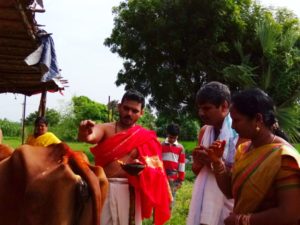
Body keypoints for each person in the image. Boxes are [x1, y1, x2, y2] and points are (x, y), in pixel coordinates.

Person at [206, 88, 300, 225]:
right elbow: (230, 192)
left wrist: (241, 220)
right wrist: (217, 162)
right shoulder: (244, 149)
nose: (232, 126)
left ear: (258, 119)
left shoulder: (284, 157)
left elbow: (290, 214)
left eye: (237, 120)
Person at [77, 90, 171, 225]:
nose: (129, 114)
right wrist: (84, 132)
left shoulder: (145, 137)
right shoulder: (105, 129)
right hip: (104, 187)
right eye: (126, 108)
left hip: (131, 191)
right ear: (119, 107)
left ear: (141, 113)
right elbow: (90, 136)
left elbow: (157, 171)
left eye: (135, 111)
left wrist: (142, 166)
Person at [187, 81, 242, 225]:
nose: (201, 113)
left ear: (224, 106)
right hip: (204, 199)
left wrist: (214, 161)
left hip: (227, 200)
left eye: (206, 108)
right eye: (199, 108)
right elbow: (196, 170)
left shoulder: (240, 133)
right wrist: (199, 161)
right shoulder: (205, 131)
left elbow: (242, 175)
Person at [161, 123, 185, 210]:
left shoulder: (180, 148)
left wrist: (180, 180)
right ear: (167, 134)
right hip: (162, 176)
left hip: (173, 178)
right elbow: (158, 161)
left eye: (175, 138)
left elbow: (181, 164)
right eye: (171, 137)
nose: (172, 139)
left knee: (171, 198)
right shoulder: (161, 145)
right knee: (160, 197)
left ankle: (168, 216)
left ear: (177, 136)